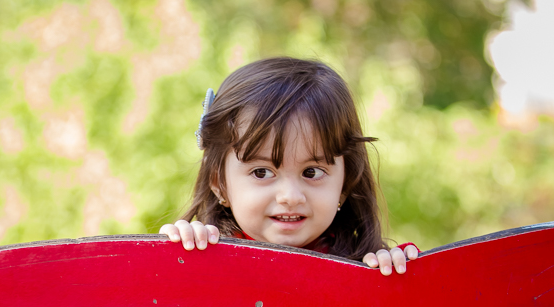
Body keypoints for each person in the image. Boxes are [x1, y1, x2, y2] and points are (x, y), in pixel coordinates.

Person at [159, 57, 418, 276]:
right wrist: (176, 256)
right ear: (219, 183)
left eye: (312, 172)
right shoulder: (204, 259)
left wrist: (400, 275)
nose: (291, 197)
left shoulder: (367, 267)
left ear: (345, 183)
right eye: (261, 172)